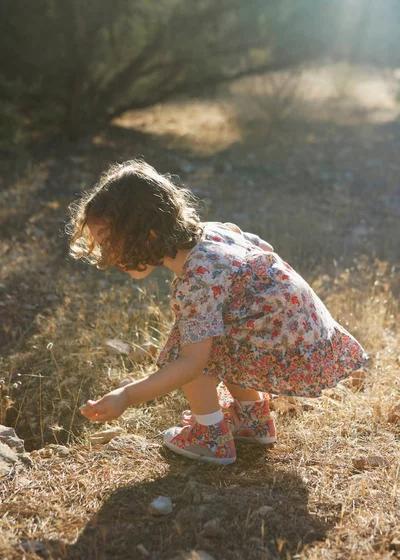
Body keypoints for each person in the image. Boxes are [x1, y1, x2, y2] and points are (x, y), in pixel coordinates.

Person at [68, 160, 367, 465]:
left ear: (148, 236)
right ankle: (253, 421)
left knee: (186, 355)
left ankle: (211, 439)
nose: (106, 254)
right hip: (306, 328)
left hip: (291, 343)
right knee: (226, 328)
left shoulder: (196, 282)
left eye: (109, 241)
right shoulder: (215, 232)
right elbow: (263, 246)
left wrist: (127, 396)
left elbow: (191, 364)